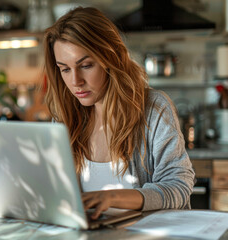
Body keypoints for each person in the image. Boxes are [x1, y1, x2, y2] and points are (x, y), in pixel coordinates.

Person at [43, 7, 195, 220]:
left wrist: (112, 197)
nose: (75, 81)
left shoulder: (153, 108)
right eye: (65, 69)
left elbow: (178, 186)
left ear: (110, 58)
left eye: (86, 65)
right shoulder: (63, 119)